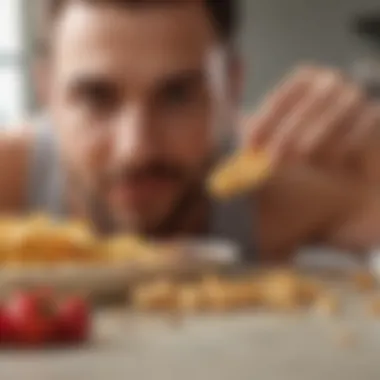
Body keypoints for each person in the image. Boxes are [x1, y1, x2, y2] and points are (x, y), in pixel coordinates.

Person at [1, 0, 380, 262]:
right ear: (46, 92)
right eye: (96, 99)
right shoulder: (10, 178)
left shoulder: (286, 185)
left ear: (231, 88)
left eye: (177, 96)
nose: (136, 149)